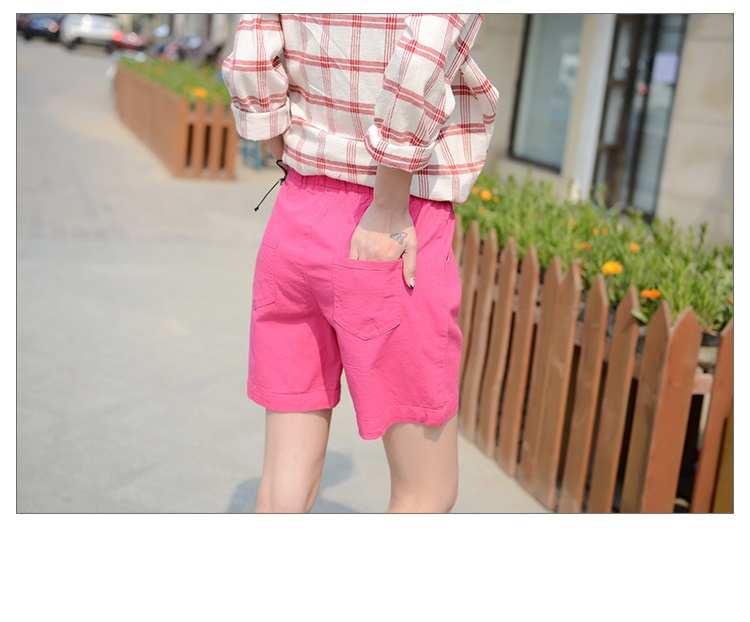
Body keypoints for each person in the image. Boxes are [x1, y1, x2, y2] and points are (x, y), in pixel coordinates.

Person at [222, 13, 497, 513]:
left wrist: (277, 139)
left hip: (297, 211)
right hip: (391, 218)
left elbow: (250, 51)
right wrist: (389, 201)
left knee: (282, 488)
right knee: (425, 492)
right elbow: (421, 60)